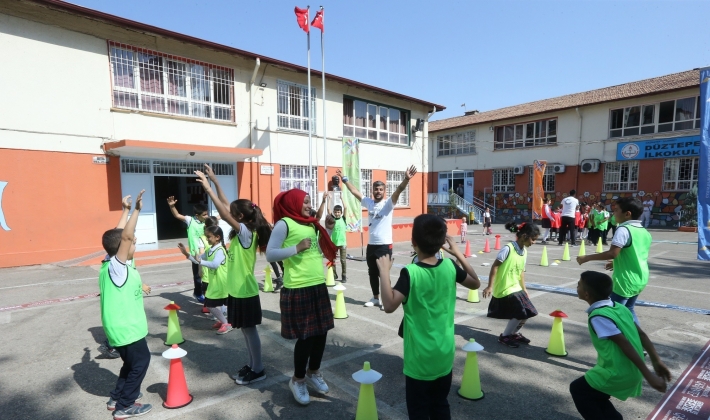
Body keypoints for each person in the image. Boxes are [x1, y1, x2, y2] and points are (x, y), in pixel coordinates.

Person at [377, 214, 481, 420]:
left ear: (413, 241)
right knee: (440, 405)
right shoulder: (450, 266)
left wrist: (384, 271)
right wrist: (458, 253)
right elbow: (476, 283)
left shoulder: (411, 272)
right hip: (444, 355)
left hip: (420, 361)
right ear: (443, 242)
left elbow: (389, 305)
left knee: (419, 411)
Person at [197, 166, 271, 384]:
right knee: (246, 332)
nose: (228, 214)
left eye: (233, 213)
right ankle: (253, 365)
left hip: (245, 290)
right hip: (237, 289)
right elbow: (228, 206)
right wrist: (215, 181)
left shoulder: (247, 232)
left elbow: (224, 211)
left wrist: (209, 189)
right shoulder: (246, 229)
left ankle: (258, 369)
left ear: (240, 217)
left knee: (250, 331)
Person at [265, 188, 338, 405]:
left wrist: (330, 230)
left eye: (309, 201)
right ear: (294, 203)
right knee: (306, 337)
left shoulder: (310, 223)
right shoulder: (284, 224)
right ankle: (297, 379)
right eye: (305, 202)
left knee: (321, 333)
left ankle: (313, 372)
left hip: (318, 285)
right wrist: (295, 248)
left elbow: (318, 250)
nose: (309, 205)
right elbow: (270, 253)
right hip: (297, 287)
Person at [570, 270, 671, 420]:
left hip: (617, 373)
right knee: (595, 395)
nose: (576, 286)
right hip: (627, 370)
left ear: (586, 294)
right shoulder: (619, 307)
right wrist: (656, 360)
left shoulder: (599, 316)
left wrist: (649, 375)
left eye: (579, 285)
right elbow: (642, 334)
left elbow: (625, 344)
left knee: (579, 389)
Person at [99, 190, 153, 419]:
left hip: (118, 328)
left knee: (130, 364)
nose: (134, 245)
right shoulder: (117, 267)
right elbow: (125, 238)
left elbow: (118, 236)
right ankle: (125, 406)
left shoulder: (108, 262)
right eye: (133, 243)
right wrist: (138, 210)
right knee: (141, 362)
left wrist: (125, 211)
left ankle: (117, 397)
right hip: (126, 328)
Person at [336, 166, 417, 309]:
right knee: (372, 273)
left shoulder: (388, 203)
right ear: (372, 191)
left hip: (385, 245)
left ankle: (387, 300)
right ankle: (375, 298)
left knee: (384, 274)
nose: (378, 192)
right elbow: (354, 192)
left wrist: (406, 179)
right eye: (376, 189)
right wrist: (345, 179)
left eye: (380, 189)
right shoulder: (369, 203)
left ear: (384, 191)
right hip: (371, 245)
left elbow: (398, 190)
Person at [576, 197, 651, 322]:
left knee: (611, 314)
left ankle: (622, 340)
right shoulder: (643, 231)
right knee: (629, 310)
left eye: (616, 210)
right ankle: (637, 338)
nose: (613, 213)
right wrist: (617, 263)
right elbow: (635, 254)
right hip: (640, 277)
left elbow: (612, 253)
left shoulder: (623, 229)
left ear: (627, 214)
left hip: (626, 280)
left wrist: (587, 258)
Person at [482, 222, 540, 348]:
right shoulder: (508, 248)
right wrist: (490, 286)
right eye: (533, 239)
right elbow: (495, 266)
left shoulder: (524, 252)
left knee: (529, 311)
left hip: (515, 287)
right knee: (520, 311)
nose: (534, 242)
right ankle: (505, 336)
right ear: (524, 236)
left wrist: (524, 289)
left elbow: (521, 273)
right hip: (504, 288)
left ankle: (514, 333)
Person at [178, 225, 233, 334]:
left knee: (211, 305)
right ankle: (224, 321)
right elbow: (197, 260)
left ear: (217, 237)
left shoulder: (220, 250)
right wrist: (186, 254)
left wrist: (200, 262)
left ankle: (226, 323)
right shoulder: (211, 250)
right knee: (212, 304)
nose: (207, 239)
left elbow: (215, 264)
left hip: (222, 283)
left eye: (209, 237)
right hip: (216, 283)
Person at [167, 197, 208, 302]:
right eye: (204, 215)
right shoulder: (190, 220)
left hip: (206, 252)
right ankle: (198, 293)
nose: (207, 216)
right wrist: (172, 206)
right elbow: (177, 215)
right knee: (198, 275)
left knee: (207, 275)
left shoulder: (208, 222)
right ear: (197, 215)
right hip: (195, 253)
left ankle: (207, 293)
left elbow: (219, 217)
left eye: (207, 214)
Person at [316, 194, 348, 283]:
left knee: (343, 260)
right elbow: (328, 210)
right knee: (332, 259)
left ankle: (344, 275)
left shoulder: (343, 219)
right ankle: (334, 274)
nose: (337, 213)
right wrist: (329, 199)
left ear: (341, 213)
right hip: (333, 244)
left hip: (342, 243)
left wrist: (342, 198)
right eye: (336, 212)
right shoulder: (332, 220)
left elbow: (345, 207)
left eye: (339, 212)